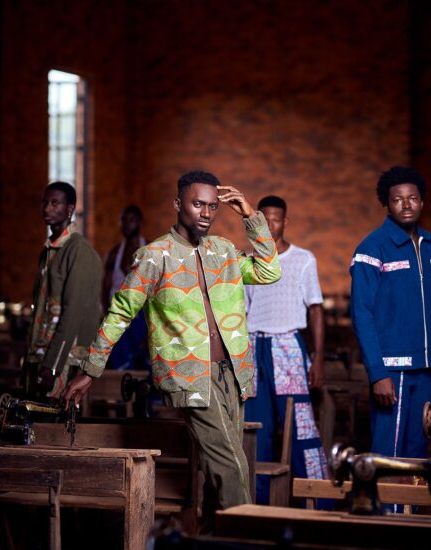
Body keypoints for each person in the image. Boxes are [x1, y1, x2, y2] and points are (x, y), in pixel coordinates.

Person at [62, 171, 281, 531]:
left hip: (233, 372)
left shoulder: (223, 250)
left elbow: (269, 272)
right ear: (178, 204)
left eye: (213, 206)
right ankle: (251, 537)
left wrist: (249, 215)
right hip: (189, 376)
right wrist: (90, 369)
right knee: (232, 463)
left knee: (218, 471)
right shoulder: (153, 256)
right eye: (198, 204)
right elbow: (120, 312)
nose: (206, 213)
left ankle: (213, 537)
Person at [350, 166, 431, 465]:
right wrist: (378, 373)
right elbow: (362, 313)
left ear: (423, 202)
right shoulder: (372, 248)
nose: (406, 204)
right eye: (398, 199)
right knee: (389, 454)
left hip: (428, 369)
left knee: (418, 450)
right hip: (392, 371)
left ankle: (408, 512)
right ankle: (386, 512)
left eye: (413, 198)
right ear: (387, 204)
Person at [244, 195, 328, 505]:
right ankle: (256, 504)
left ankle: (317, 500)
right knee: (256, 430)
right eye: (263, 218)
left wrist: (317, 359)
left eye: (275, 218)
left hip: (288, 347)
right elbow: (243, 313)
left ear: (285, 221)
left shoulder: (303, 259)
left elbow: (316, 311)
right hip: (255, 347)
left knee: (300, 427)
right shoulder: (250, 262)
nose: (270, 224)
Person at [24, 181, 102, 401]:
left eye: (55, 203)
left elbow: (73, 313)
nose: (47, 208)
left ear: (69, 209)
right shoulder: (48, 250)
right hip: (39, 354)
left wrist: (52, 366)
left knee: (55, 426)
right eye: (45, 202)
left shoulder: (79, 251)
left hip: (62, 361)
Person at [102, 204, 149, 371]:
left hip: (143, 318)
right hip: (119, 315)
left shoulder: (150, 250)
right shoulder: (114, 254)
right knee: (119, 365)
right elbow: (105, 288)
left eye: (132, 220)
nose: (127, 225)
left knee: (145, 364)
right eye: (124, 221)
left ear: (140, 222)